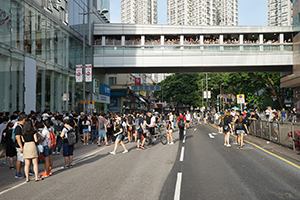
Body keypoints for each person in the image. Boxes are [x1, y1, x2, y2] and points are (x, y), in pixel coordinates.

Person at [14, 113, 27, 178]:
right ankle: (18, 173)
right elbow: (18, 138)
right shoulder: (18, 127)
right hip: (19, 146)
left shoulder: (21, 126)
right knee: (19, 159)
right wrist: (21, 147)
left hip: (22, 145)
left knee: (22, 159)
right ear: (24, 119)